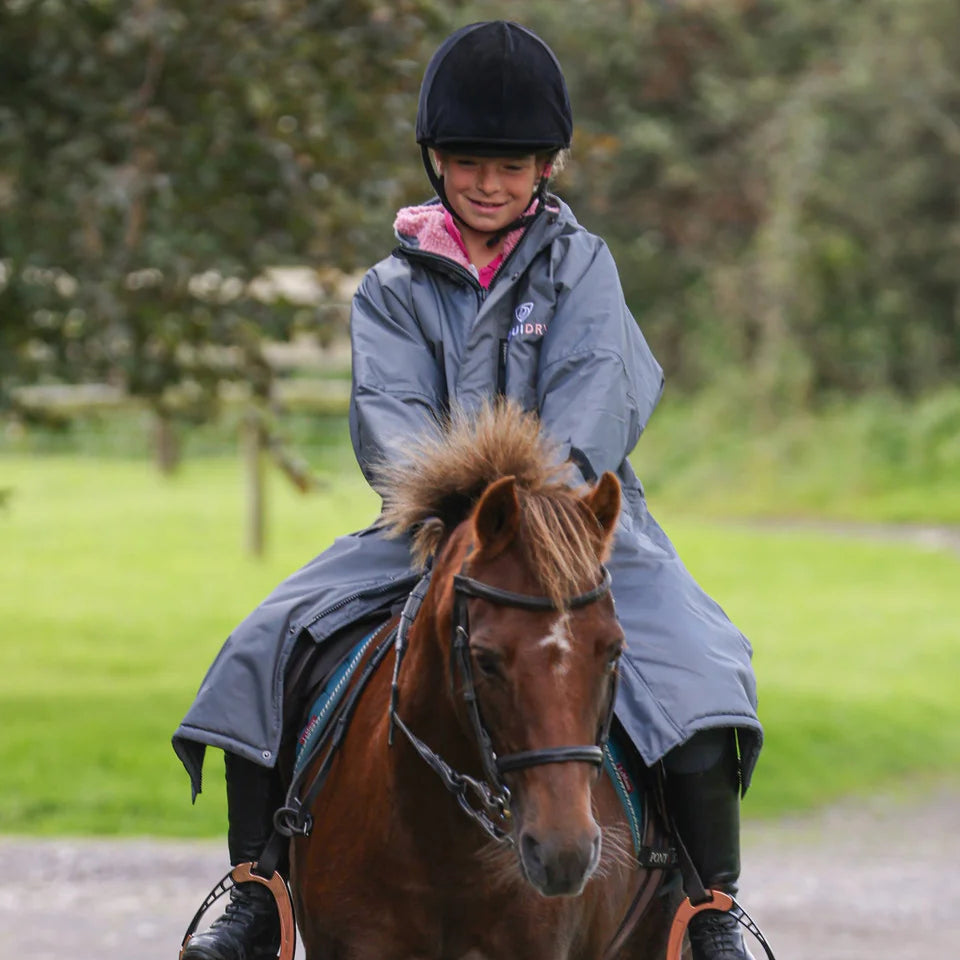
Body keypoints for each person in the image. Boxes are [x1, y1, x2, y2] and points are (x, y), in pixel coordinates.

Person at [174, 20, 762, 960]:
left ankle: (713, 908)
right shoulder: (389, 288)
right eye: (469, 163)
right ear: (435, 160)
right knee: (263, 645)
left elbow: (594, 398)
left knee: (701, 666)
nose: (490, 183)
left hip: (582, 529)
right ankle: (256, 889)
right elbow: (390, 419)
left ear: (545, 168)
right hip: (429, 528)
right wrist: (455, 510)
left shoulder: (585, 269)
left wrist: (541, 508)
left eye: (514, 165)